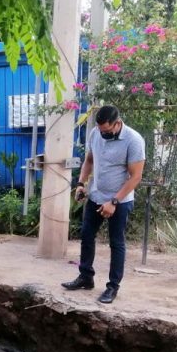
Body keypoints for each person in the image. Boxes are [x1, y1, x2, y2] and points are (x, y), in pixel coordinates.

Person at [62, 105, 145, 304]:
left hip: (120, 201)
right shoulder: (95, 133)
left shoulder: (133, 140)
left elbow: (136, 177)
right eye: (101, 130)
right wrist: (81, 184)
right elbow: (89, 160)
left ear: (118, 123)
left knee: (116, 243)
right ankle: (86, 277)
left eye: (107, 131)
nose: (103, 134)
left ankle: (112, 287)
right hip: (96, 195)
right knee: (86, 236)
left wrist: (114, 201)